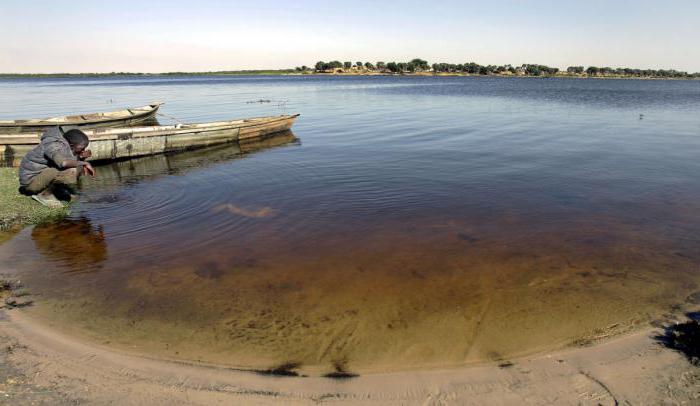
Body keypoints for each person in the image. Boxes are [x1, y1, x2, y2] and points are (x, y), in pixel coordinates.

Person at [18, 126, 95, 208]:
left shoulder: (65, 144)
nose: (83, 150)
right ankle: (44, 195)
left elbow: (70, 160)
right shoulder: (53, 145)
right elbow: (63, 163)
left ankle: (56, 190)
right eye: (82, 148)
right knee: (71, 170)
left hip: (42, 176)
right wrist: (85, 163)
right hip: (31, 183)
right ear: (72, 145)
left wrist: (81, 157)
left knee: (77, 167)